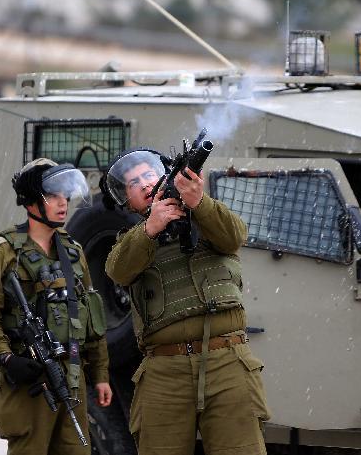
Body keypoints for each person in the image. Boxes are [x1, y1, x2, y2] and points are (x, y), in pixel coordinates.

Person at [103, 149, 270, 455]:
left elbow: (234, 237)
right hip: (164, 369)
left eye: (148, 175)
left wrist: (198, 203)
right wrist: (151, 228)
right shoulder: (132, 241)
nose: (143, 183)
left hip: (227, 359)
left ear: (164, 176)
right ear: (127, 200)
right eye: (133, 182)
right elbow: (118, 270)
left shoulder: (206, 217)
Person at [0, 158, 113, 455]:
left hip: (71, 379)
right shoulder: (3, 253)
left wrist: (100, 375)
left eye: (66, 196)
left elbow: (89, 318)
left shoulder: (72, 251)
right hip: (28, 381)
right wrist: (8, 359)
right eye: (54, 196)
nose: (63, 204)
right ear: (32, 202)